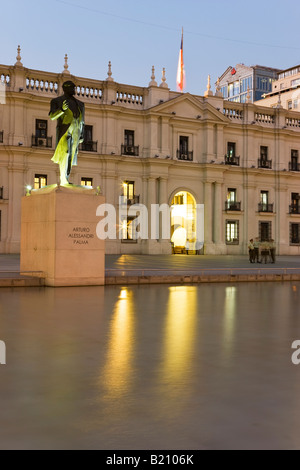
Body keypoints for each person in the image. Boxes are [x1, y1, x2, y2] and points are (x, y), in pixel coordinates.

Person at [49, 81, 85, 185]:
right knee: (65, 153)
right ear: (65, 88)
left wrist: (82, 133)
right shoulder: (57, 101)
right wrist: (61, 109)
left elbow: (82, 120)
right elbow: (52, 116)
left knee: (71, 155)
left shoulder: (81, 104)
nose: (74, 90)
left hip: (76, 130)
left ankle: (66, 177)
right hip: (65, 130)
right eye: (72, 88)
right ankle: (63, 178)